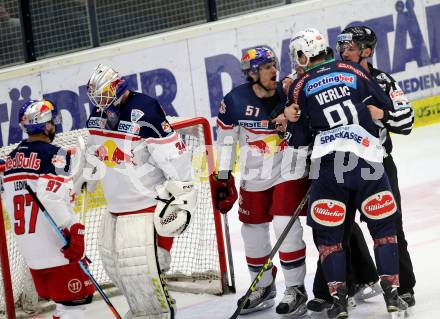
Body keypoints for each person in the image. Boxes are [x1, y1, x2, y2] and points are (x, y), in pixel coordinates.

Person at [285, 28, 408, 318]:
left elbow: (299, 139)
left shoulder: (299, 85)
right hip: (368, 161)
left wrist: (290, 122)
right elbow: (386, 105)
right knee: (383, 230)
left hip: (329, 169)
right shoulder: (353, 70)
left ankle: (339, 301)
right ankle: (392, 295)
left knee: (330, 238)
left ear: (304, 55)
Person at [83, 64, 196, 319]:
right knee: (117, 269)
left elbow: (173, 155)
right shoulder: (98, 113)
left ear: (116, 88)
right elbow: (94, 149)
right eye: (96, 98)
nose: (99, 103)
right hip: (115, 208)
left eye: (102, 96)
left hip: (146, 205)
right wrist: (88, 175)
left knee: (147, 269)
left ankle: (161, 313)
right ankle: (143, 311)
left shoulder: (144, 109)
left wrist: (182, 189)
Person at [215, 47, 310, 317]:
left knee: (284, 225)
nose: (273, 70)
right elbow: (225, 143)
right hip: (253, 174)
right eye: (266, 67)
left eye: (273, 65)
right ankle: (264, 287)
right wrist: (223, 179)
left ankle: (295, 289)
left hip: (288, 169)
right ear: (252, 73)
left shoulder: (288, 91)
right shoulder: (233, 101)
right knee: (252, 232)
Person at [336, 25, 416, 307]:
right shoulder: (331, 79)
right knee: (338, 229)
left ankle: (403, 287)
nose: (344, 52)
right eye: (341, 47)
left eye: (350, 48)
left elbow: (406, 122)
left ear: (367, 51)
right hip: (340, 166)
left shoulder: (382, 81)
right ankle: (353, 282)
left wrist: (382, 114)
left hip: (378, 165)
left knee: (392, 226)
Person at [2, 99, 95, 319]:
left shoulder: (11, 161)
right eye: (51, 122)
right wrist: (74, 229)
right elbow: (52, 199)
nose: (54, 126)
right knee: (76, 302)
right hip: (58, 248)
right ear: (45, 125)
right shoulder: (58, 154)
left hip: (31, 252)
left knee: (66, 305)